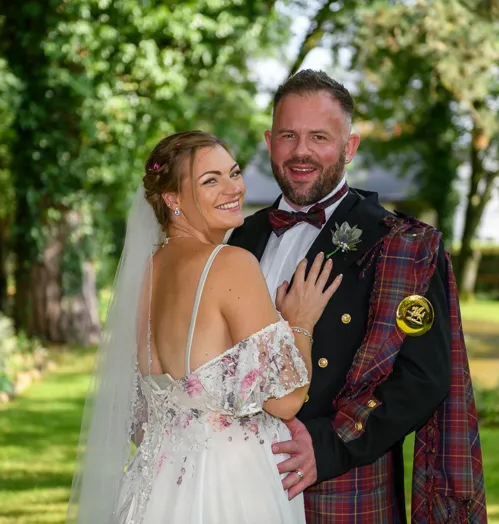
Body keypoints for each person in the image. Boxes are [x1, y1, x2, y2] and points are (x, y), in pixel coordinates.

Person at [227, 69, 488, 523]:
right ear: (270, 141)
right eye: (289, 135)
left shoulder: (403, 246)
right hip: (233, 481)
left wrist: (329, 446)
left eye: (320, 137)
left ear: (350, 148)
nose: (301, 151)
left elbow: (423, 377)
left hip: (344, 489)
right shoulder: (237, 239)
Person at [66, 130, 343, 524]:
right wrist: (300, 324)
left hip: (155, 487)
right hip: (229, 487)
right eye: (210, 180)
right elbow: (284, 401)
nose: (233, 188)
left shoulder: (145, 274)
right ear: (172, 199)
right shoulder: (231, 263)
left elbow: (139, 420)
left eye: (232, 173)